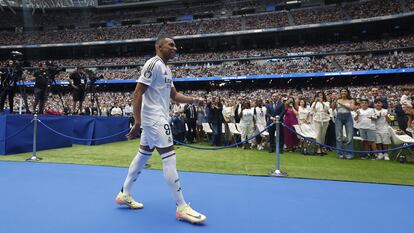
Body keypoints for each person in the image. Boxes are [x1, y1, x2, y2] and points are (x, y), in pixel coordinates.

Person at [115, 35, 206, 224]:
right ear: (158, 46)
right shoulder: (153, 64)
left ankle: (125, 193)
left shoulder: (167, 69)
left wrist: (194, 100)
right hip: (154, 119)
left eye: (175, 45)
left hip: (158, 117)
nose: (175, 48)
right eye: (171, 45)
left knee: (142, 156)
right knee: (169, 158)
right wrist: (137, 122)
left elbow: (174, 95)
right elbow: (138, 92)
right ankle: (182, 207)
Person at [334, 88, 355, 159]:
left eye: (345, 91)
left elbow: (352, 108)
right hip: (339, 116)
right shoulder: (337, 100)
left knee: (349, 135)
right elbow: (333, 107)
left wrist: (342, 104)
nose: (343, 92)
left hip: (348, 116)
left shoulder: (351, 100)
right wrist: (334, 102)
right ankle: (340, 153)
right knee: (339, 136)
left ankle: (349, 153)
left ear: (347, 92)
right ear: (340, 93)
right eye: (342, 91)